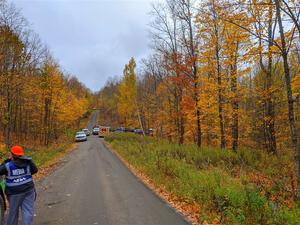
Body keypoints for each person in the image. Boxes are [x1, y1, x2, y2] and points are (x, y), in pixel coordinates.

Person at [0, 146, 38, 225]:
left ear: (12, 154)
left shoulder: (7, 165)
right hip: (29, 190)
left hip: (14, 193)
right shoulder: (28, 162)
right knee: (28, 211)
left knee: (13, 213)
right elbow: (35, 170)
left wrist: (6, 161)